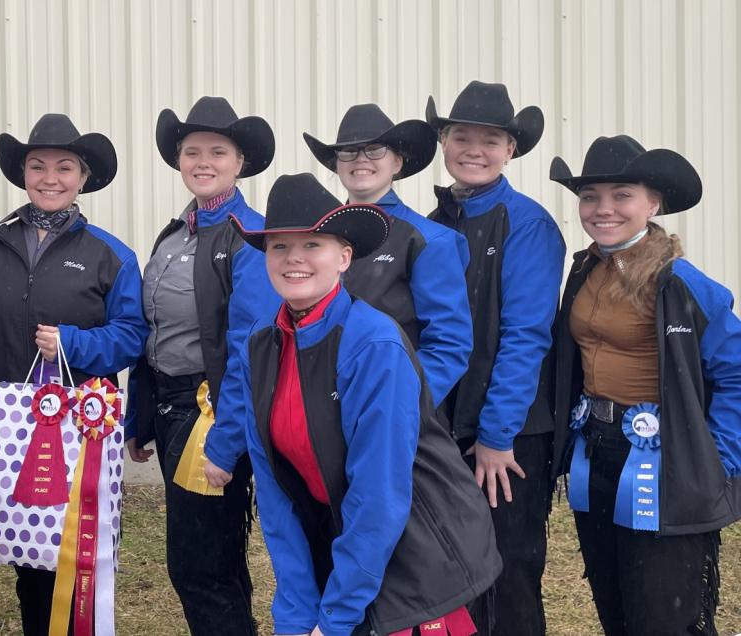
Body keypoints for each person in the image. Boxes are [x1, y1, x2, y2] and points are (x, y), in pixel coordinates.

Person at [230, 172, 500, 635]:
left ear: (344, 257)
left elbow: (378, 496)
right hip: (338, 538)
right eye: (279, 246)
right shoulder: (259, 344)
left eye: (312, 244)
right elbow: (275, 493)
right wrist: (296, 611)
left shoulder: (374, 343)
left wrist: (335, 617)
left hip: (415, 546)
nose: (294, 258)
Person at [550, 135, 738, 635]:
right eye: (590, 196)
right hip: (598, 454)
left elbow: (736, 373)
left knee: (665, 613)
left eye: (621, 195)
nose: (603, 208)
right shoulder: (585, 269)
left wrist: (716, 458)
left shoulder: (681, 283)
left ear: (653, 203)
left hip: (664, 460)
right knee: (615, 604)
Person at [0, 113, 145, 635]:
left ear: (83, 178)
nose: (49, 178)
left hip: (78, 431)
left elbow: (132, 335)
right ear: (23, 175)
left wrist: (73, 343)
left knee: (69, 556)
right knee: (24, 552)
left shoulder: (109, 255)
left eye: (64, 167)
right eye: (38, 166)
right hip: (7, 426)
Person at [127, 96, 281, 635]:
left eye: (218, 151)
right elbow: (153, 333)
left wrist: (225, 441)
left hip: (210, 415)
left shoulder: (252, 238)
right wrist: (139, 418)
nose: (203, 161)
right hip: (171, 411)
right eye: (192, 151)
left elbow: (249, 350)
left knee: (199, 566)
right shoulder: (173, 236)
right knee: (210, 559)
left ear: (240, 162)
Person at [425, 80, 564, 634]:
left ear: (511, 149)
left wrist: (497, 435)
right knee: (454, 566)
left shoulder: (527, 225)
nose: (474, 149)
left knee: (507, 571)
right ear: (443, 141)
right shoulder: (434, 223)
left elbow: (526, 336)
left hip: (505, 434)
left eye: (490, 139)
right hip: (445, 426)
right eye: (462, 136)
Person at [303, 103, 471, 405]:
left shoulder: (430, 241)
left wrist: (398, 404)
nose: (360, 159)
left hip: (390, 408)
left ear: (397, 162)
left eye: (374, 150)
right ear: (336, 164)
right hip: (319, 408)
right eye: (349, 151)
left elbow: (448, 345)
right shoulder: (314, 238)